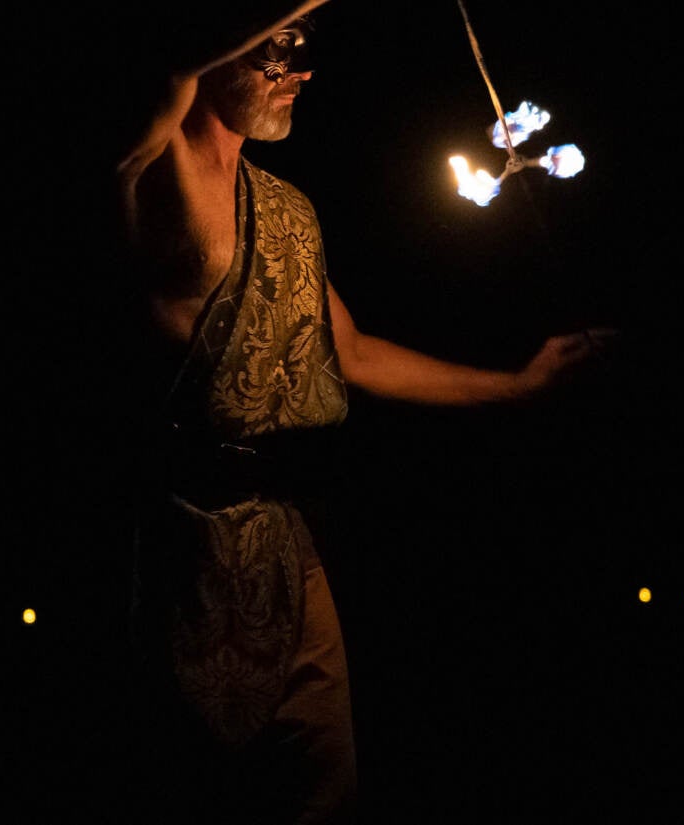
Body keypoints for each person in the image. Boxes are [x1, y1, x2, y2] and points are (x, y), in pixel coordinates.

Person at [113, 3, 613, 822]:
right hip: (171, 561)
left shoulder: (289, 211)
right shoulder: (147, 171)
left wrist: (519, 386)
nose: (302, 68)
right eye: (275, 48)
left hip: (288, 561)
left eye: (309, 47)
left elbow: (352, 354)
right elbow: (168, 63)